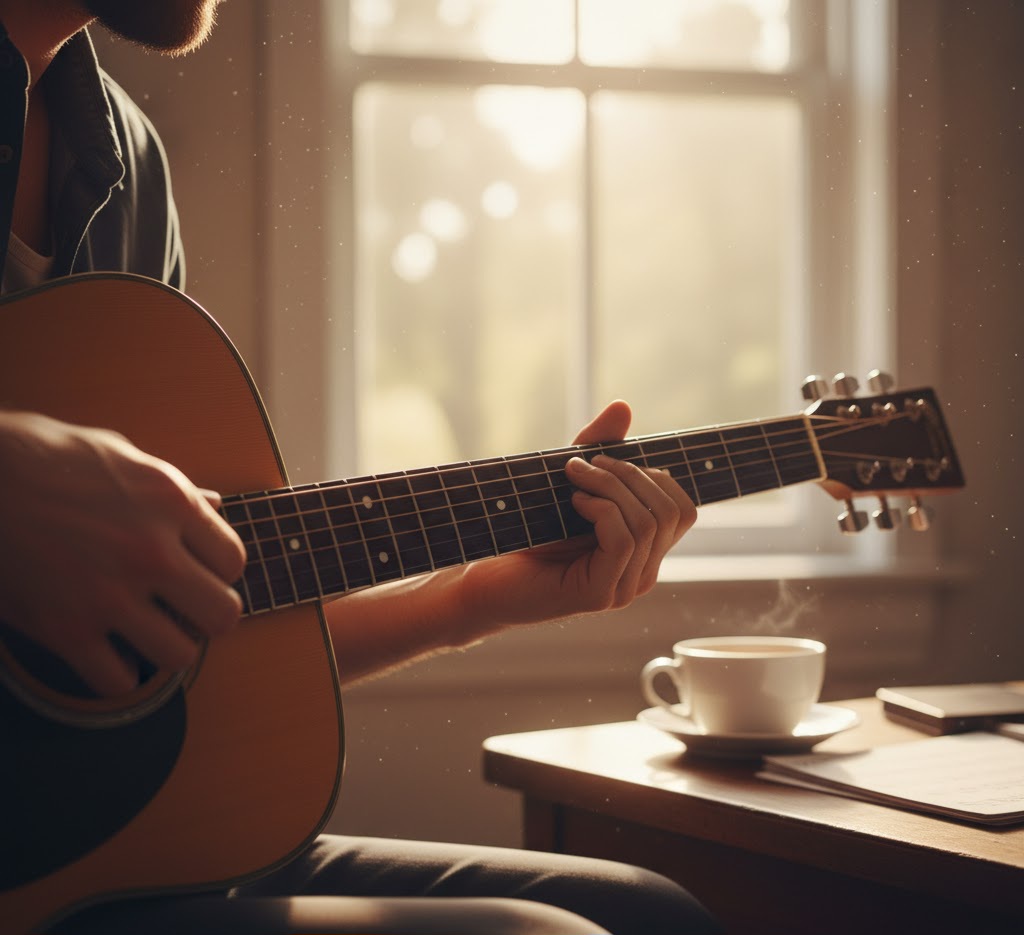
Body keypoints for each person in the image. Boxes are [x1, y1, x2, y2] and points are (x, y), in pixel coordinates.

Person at [0, 2, 719, 933]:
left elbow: (185, 614)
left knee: (645, 912)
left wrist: (473, 599)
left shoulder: (123, 158)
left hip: (102, 850)